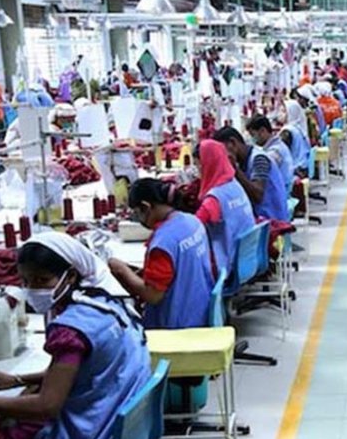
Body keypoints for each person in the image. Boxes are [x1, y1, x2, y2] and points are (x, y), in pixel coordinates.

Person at [0, 232, 151, 439]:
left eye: (42, 280)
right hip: (115, 421)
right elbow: (89, 371)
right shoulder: (105, 303)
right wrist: (18, 379)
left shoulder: (71, 332)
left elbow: (47, 406)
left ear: (70, 276)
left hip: (90, 437)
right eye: (25, 281)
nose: (32, 289)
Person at [109, 178, 214, 329]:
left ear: (146, 207)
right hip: (200, 309)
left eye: (137, 213)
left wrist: (123, 271)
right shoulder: (193, 221)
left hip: (177, 324)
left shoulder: (163, 243)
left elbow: (153, 296)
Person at [194, 140, 255, 277]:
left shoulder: (214, 199)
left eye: (198, 164)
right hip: (246, 257)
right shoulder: (234, 184)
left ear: (208, 164)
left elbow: (192, 229)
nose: (197, 170)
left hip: (229, 263)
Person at [215, 126, 288, 222]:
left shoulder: (259, 158)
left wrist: (235, 170)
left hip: (273, 221)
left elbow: (258, 195)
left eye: (222, 150)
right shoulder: (243, 162)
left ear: (233, 142)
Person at [247, 115, 295, 192]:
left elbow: (262, 171)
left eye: (253, 135)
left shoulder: (275, 152)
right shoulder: (277, 145)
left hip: (281, 192)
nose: (252, 139)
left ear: (262, 131)